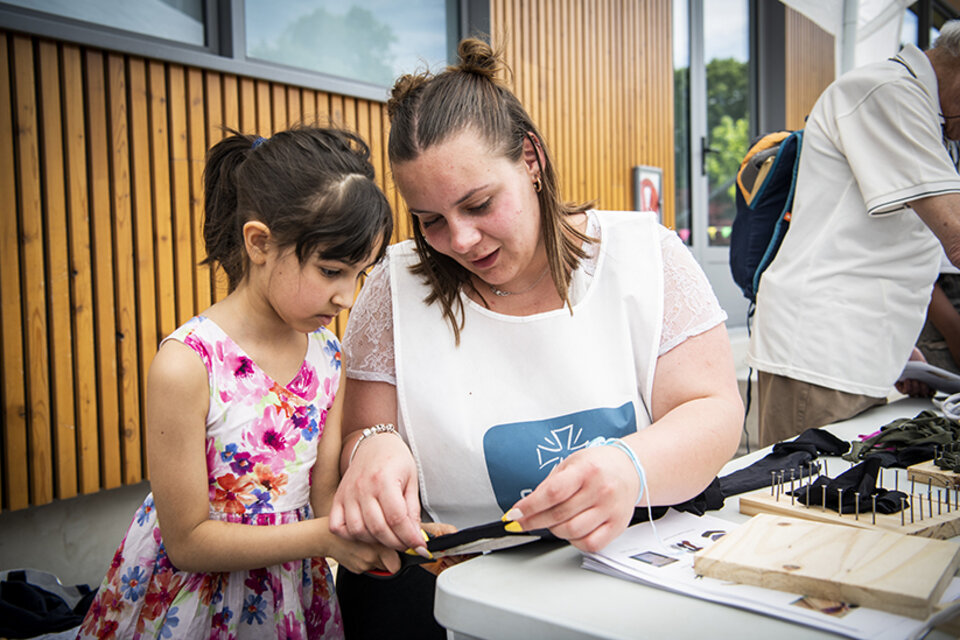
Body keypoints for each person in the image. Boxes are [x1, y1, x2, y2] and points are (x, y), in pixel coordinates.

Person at [328, 39, 744, 638]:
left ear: (531, 158)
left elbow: (713, 411)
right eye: (431, 221)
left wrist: (630, 465)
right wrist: (373, 448)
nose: (462, 240)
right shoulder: (394, 288)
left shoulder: (644, 257)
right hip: (454, 591)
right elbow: (367, 432)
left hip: (621, 580)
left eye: (478, 204)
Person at [76, 126, 399, 639]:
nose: (345, 298)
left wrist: (395, 528)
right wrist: (325, 539)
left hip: (292, 595)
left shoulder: (330, 357)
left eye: (359, 275)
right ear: (260, 242)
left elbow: (324, 497)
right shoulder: (188, 364)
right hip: (193, 605)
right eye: (332, 270)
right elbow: (187, 541)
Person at [749, 21, 960, 448]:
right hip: (823, 353)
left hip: (853, 350)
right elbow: (955, 236)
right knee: (808, 503)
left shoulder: (924, 109)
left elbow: (900, 250)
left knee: (836, 500)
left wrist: (898, 345)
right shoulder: (888, 92)